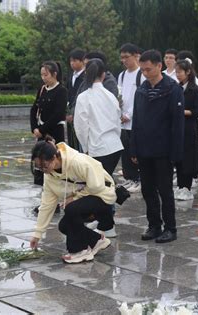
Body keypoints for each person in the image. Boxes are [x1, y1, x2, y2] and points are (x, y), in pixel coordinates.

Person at [29, 138, 115, 263]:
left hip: (102, 195)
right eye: (39, 167)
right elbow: (47, 205)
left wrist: (75, 198)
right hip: (85, 198)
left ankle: (80, 251)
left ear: (54, 157)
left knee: (71, 208)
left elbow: (97, 186)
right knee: (64, 226)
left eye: (44, 165)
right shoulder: (49, 176)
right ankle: (97, 240)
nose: (43, 170)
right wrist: (37, 234)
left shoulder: (77, 162)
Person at [130, 49, 185, 243]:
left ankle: (170, 228)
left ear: (159, 66)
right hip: (144, 149)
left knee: (165, 189)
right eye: (143, 70)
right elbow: (136, 120)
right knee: (147, 189)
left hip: (163, 149)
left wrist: (176, 152)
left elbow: (178, 124)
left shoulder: (172, 89)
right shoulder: (142, 90)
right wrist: (134, 148)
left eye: (149, 69)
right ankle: (154, 224)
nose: (145, 73)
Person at [74, 58, 123, 237]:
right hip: (114, 146)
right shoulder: (110, 95)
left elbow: (80, 126)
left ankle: (107, 225)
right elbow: (117, 121)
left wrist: (86, 148)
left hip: (97, 147)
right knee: (105, 184)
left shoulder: (84, 97)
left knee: (98, 187)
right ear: (103, 75)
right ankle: (104, 220)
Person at [30, 61, 68, 186]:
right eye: (42, 75)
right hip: (41, 131)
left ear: (54, 74)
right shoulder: (42, 89)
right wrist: (34, 128)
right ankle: (43, 186)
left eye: (46, 75)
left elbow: (58, 114)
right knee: (41, 160)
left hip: (55, 131)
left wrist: (42, 129)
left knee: (54, 160)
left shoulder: (61, 90)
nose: (43, 78)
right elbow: (34, 109)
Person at [173, 59, 198, 201]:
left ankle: (187, 187)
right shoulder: (176, 88)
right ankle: (180, 186)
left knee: (188, 159)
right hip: (177, 127)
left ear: (188, 72)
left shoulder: (195, 90)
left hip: (189, 128)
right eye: (176, 72)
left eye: (180, 72)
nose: (178, 75)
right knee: (178, 157)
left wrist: (182, 112)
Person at [117, 43, 145, 193]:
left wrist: (129, 114)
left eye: (127, 57)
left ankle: (139, 178)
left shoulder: (141, 74)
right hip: (122, 121)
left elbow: (140, 98)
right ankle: (129, 178)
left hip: (136, 120)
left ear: (136, 56)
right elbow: (120, 95)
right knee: (125, 150)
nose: (124, 60)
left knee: (136, 151)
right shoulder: (122, 75)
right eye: (122, 58)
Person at [65, 48, 85, 151]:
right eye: (71, 61)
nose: (72, 63)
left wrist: (74, 113)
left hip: (79, 114)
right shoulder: (71, 76)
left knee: (80, 141)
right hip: (70, 115)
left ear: (82, 61)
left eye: (75, 61)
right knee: (71, 141)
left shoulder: (85, 77)